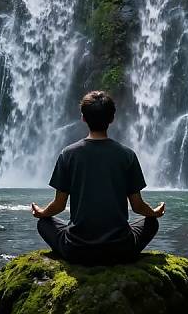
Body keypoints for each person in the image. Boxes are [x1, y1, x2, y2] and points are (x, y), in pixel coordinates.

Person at [30, 90, 165, 265]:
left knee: (43, 223)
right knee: (152, 223)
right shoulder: (127, 155)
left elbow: (59, 205)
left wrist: (41, 213)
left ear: (83, 118)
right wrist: (154, 212)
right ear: (112, 118)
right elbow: (138, 206)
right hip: (120, 250)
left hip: (76, 250)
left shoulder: (68, 154)